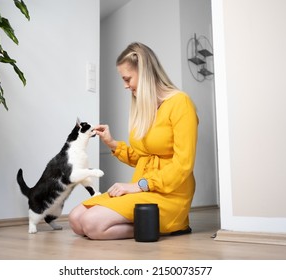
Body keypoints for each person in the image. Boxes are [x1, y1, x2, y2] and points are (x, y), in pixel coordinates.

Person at [68, 42, 198, 240]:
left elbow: (183, 165)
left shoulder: (181, 103)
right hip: (145, 188)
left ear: (144, 73)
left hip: (171, 193)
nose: (125, 85)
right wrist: (113, 144)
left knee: (91, 223)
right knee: (76, 220)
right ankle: (146, 223)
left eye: (127, 78)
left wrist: (140, 185)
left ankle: (173, 225)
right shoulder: (145, 107)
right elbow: (144, 158)